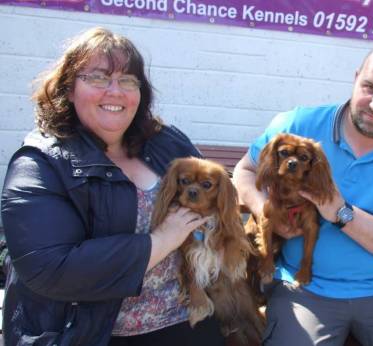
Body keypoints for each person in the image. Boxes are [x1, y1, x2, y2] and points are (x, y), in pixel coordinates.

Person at [1, 27, 225, 346]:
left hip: (188, 318)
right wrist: (161, 240)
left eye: (128, 80)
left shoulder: (166, 142)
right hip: (95, 333)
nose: (115, 91)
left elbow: (218, 198)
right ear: (68, 89)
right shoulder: (41, 162)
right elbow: (51, 268)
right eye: (98, 77)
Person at [234, 42, 373, 345]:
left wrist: (340, 211)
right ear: (355, 78)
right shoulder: (299, 124)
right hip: (304, 286)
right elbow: (244, 172)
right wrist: (266, 210)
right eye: (369, 87)